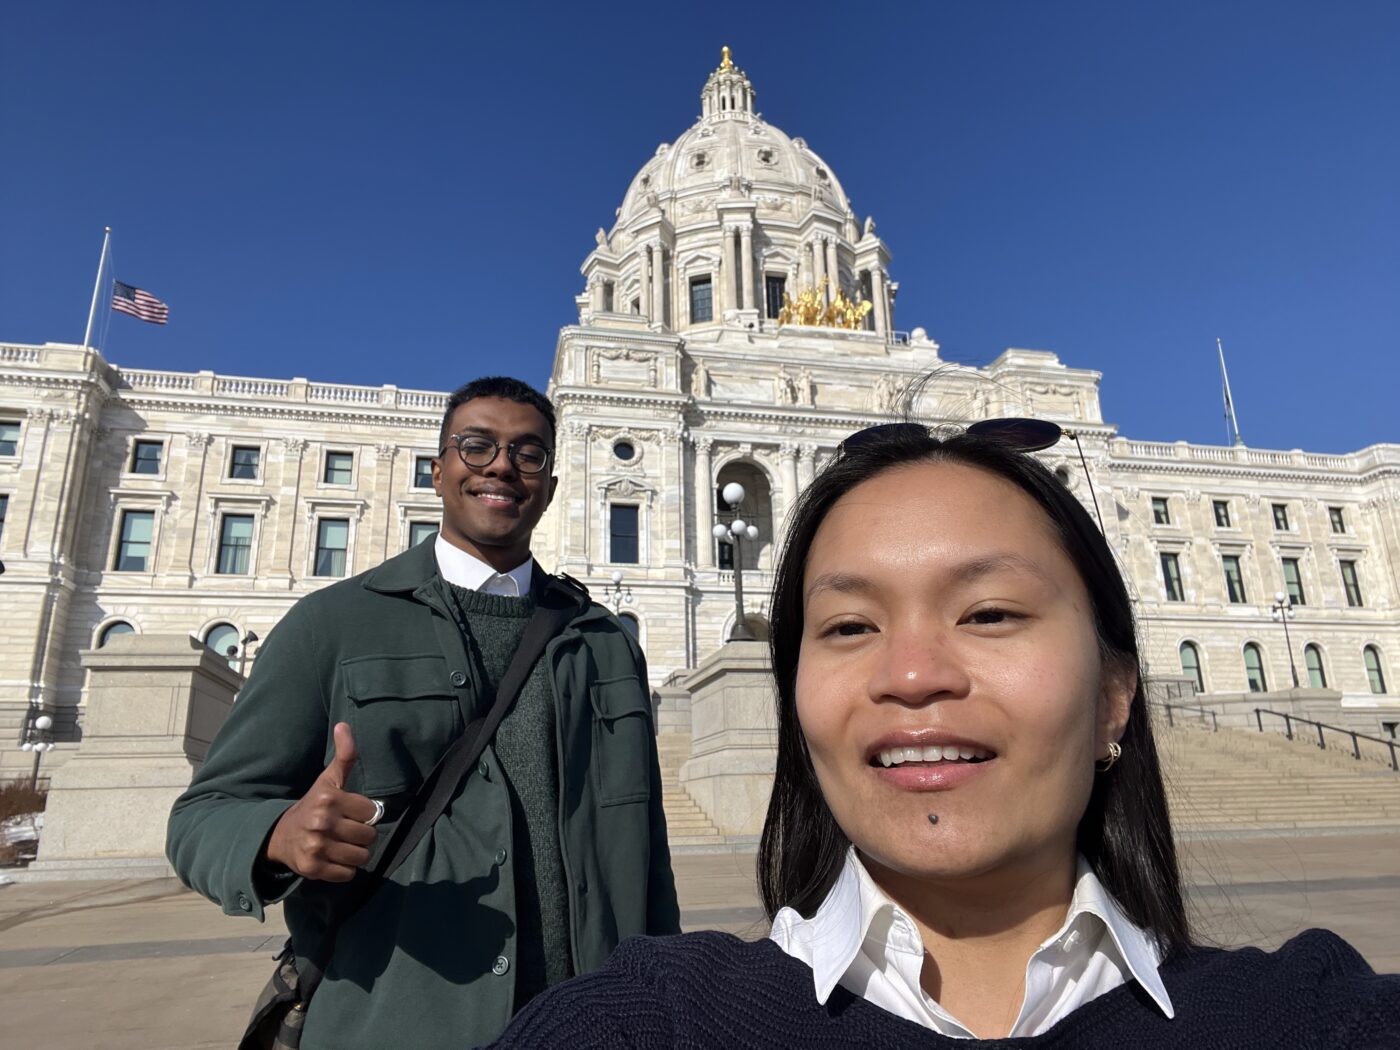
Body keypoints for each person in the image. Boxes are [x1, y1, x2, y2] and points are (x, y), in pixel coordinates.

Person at [489, 419, 1399, 1047]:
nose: (914, 674)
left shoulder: (1314, 1018)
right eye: (849, 625)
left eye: (991, 612)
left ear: (1115, 696)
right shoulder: (642, 1025)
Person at [167, 376, 679, 1050]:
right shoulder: (332, 625)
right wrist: (277, 837)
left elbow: (646, 851)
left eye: (528, 454)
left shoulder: (606, 642)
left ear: (551, 486)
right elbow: (202, 817)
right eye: (477, 446)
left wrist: (668, 1000)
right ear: (437, 472)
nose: (502, 466)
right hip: (394, 1022)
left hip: (594, 1025)